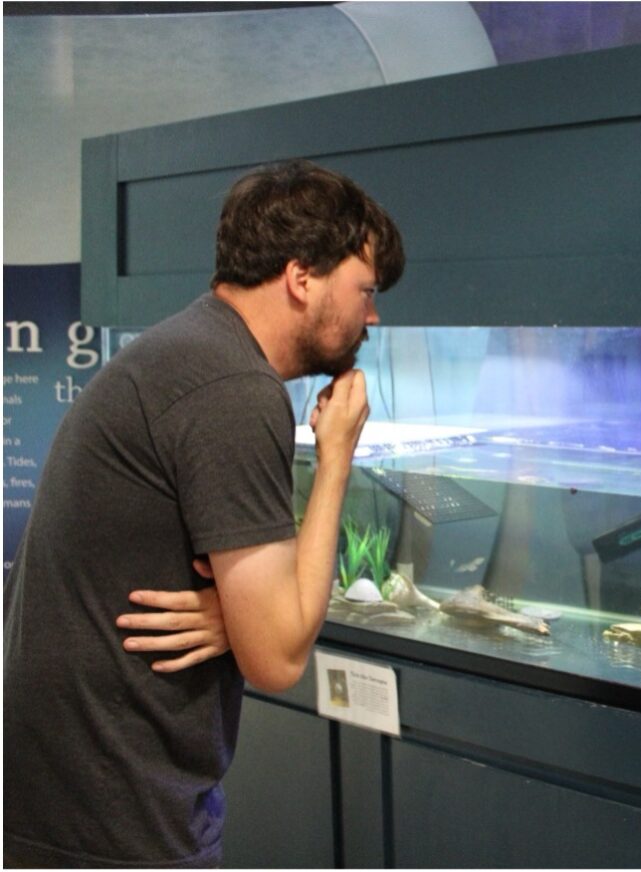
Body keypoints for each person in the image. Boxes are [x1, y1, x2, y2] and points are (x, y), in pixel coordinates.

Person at [3, 160, 405, 867]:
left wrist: (242, 613)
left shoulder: (191, 352)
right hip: (112, 822)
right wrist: (335, 455)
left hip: (81, 807)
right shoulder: (231, 388)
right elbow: (278, 655)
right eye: (365, 290)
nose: (372, 315)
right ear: (301, 275)